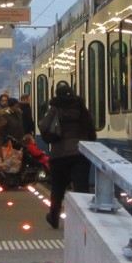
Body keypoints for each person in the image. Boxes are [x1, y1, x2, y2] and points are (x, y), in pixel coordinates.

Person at [41, 82, 97, 230]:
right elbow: (91, 129)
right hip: (80, 154)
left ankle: (54, 217)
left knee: (57, 189)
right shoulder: (81, 108)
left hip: (59, 155)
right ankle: (85, 221)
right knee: (81, 188)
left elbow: (44, 128)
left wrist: (52, 139)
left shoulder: (54, 109)